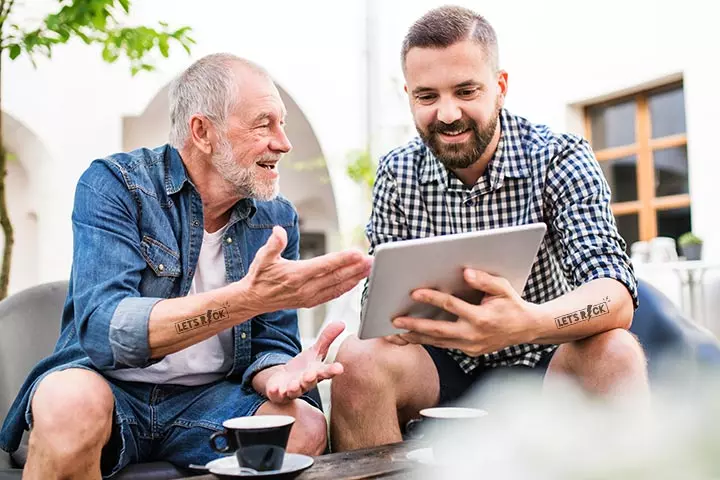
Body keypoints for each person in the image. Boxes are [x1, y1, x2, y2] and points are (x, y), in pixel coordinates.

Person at [0, 53, 372, 479]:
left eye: (282, 124)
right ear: (203, 131)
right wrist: (244, 299)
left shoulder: (276, 216)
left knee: (301, 426)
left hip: (210, 400)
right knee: (69, 406)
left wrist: (275, 373)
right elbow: (105, 329)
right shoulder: (116, 185)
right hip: (109, 386)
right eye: (264, 124)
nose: (283, 142)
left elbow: (270, 339)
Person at [330, 6, 648, 451]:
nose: (446, 113)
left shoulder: (558, 156)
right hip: (440, 368)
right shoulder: (397, 172)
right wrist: (396, 320)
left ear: (499, 87)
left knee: (615, 350)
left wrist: (525, 323)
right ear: (409, 96)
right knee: (358, 359)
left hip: (545, 358)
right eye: (426, 97)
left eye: (465, 90)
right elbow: (379, 306)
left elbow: (613, 294)